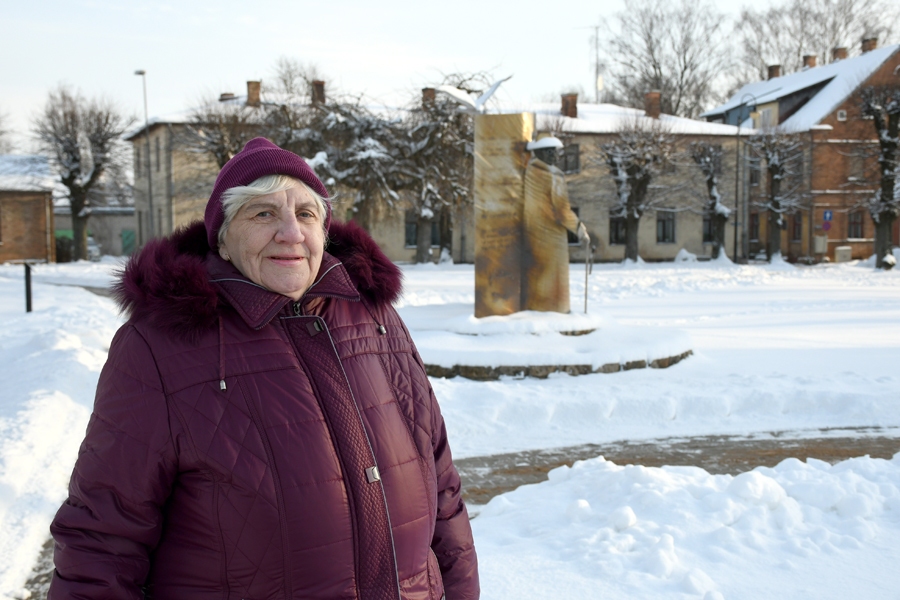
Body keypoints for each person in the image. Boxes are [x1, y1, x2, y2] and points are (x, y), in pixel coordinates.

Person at [48, 137, 479, 600]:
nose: (291, 233)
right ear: (224, 239)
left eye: (306, 214)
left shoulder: (376, 320)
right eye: (263, 213)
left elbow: (442, 491)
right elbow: (102, 539)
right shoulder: (160, 346)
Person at [522, 136, 589, 313]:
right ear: (538, 152)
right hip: (551, 235)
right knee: (553, 275)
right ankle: (553, 311)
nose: (554, 156)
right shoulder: (551, 175)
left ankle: (538, 307)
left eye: (555, 151)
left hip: (532, 233)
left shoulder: (530, 171)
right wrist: (579, 229)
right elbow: (561, 210)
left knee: (540, 273)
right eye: (549, 151)